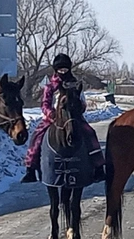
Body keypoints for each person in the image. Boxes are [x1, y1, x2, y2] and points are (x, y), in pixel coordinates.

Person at [21, 53, 106, 183]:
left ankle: (98, 166)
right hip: (54, 118)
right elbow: (44, 104)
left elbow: (83, 101)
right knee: (36, 136)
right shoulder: (50, 87)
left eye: (65, 69)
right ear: (56, 70)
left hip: (74, 117)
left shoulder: (75, 84)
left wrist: (79, 108)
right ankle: (30, 169)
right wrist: (51, 113)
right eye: (60, 70)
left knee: (90, 133)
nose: (63, 72)